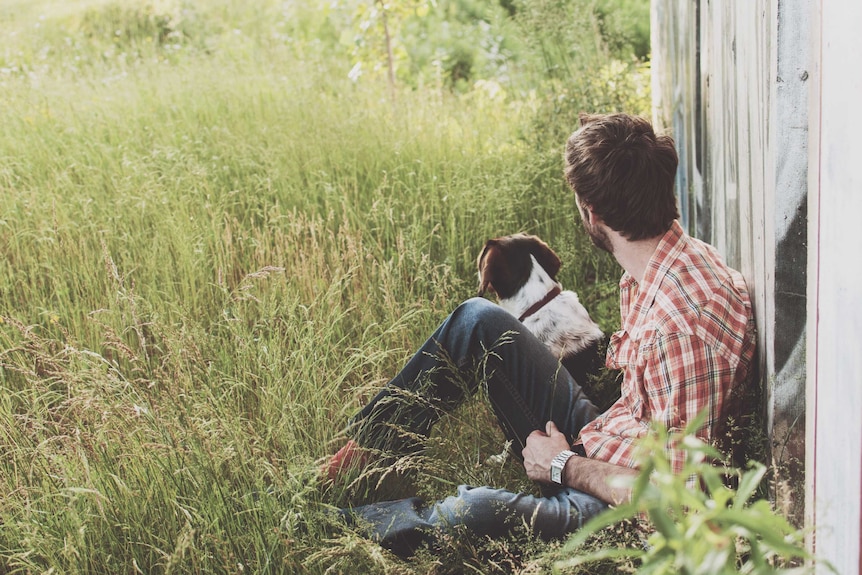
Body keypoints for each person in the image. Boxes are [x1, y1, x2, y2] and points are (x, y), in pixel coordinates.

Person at [323, 112, 757, 557]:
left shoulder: (680, 326)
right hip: (616, 443)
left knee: (468, 511)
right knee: (478, 319)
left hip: (625, 511)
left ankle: (332, 527)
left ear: (591, 213)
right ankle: (356, 461)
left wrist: (563, 464)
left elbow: (675, 504)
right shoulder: (664, 264)